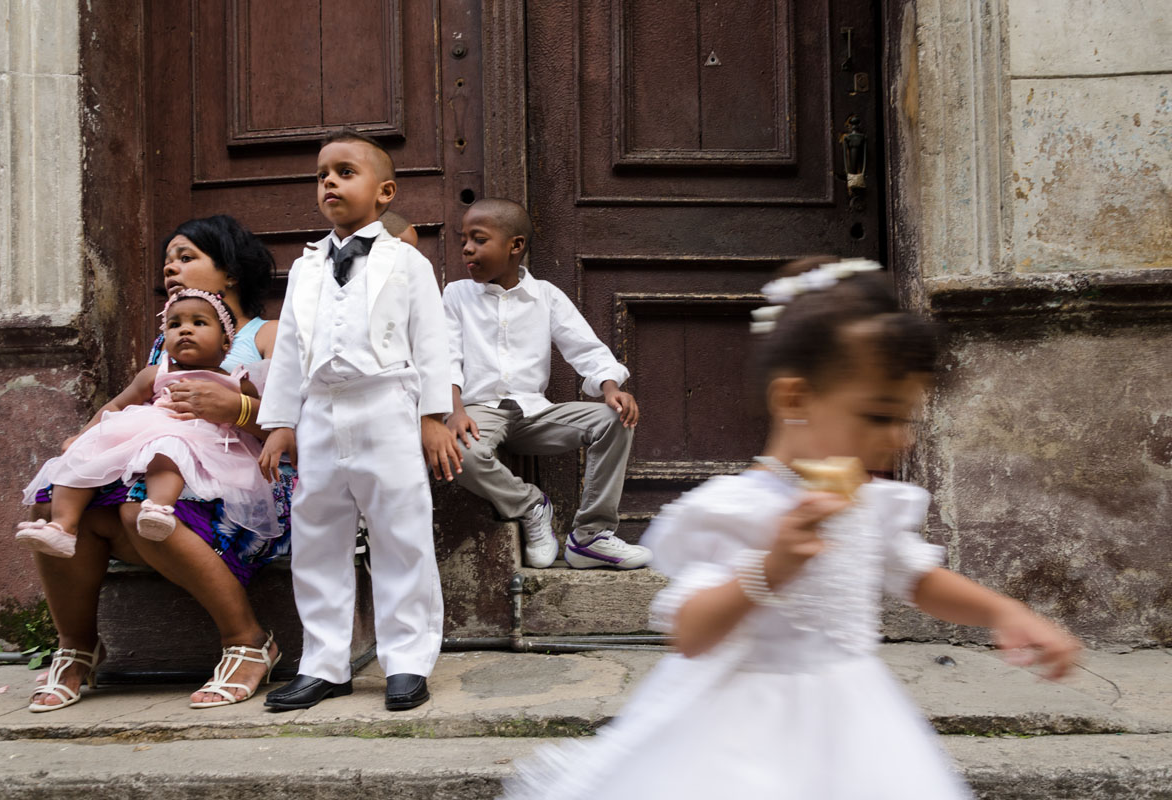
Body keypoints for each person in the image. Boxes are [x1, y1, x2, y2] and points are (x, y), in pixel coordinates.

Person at [501, 258, 1082, 799]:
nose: (900, 437)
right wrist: (771, 567)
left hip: (855, 717)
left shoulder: (868, 502)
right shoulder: (737, 509)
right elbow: (690, 632)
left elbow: (919, 579)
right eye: (879, 414)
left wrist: (1006, 613)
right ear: (796, 397)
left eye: (906, 417)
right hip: (745, 724)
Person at [26, 215, 293, 712]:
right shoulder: (168, 344)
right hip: (161, 472)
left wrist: (235, 408)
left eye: (187, 256)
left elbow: (296, 429)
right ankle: (76, 648)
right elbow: (131, 406)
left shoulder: (265, 335)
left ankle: (248, 640)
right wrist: (80, 444)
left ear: (230, 272)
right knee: (56, 506)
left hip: (248, 480)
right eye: (168, 259)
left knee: (138, 509)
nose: (171, 267)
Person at [257, 129, 457, 712]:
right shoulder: (306, 267)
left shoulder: (408, 262)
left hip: (385, 405)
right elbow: (290, 347)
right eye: (322, 175)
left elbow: (432, 341)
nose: (329, 183)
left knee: (401, 532)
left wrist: (433, 416)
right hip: (320, 411)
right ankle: (323, 662)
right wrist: (280, 422)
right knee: (317, 534)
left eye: (345, 172)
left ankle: (407, 661)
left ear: (385, 191)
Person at [443, 198, 648, 571]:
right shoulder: (456, 295)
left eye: (478, 239)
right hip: (479, 412)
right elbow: (446, 357)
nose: (467, 249)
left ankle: (590, 537)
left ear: (515, 246)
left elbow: (584, 347)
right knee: (461, 453)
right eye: (463, 241)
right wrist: (454, 411)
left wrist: (610, 387)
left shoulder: (546, 296)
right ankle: (531, 506)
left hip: (536, 413)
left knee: (614, 418)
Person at [19, 290, 275, 556]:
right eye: (175, 325)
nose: (185, 330)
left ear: (226, 341)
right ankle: (62, 526)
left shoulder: (238, 381)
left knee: (169, 447)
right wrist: (83, 436)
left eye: (198, 323)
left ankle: (158, 509)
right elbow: (116, 406)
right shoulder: (155, 373)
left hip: (199, 441)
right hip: (144, 429)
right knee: (85, 454)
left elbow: (257, 423)